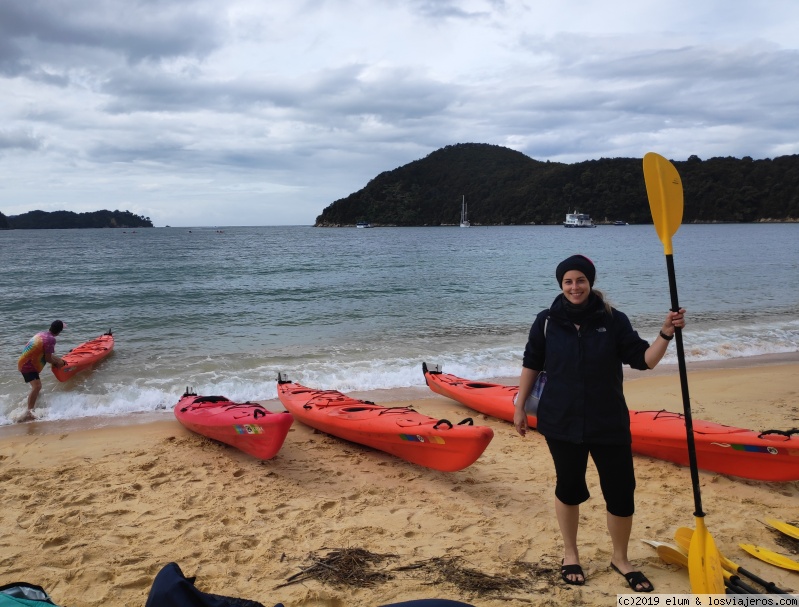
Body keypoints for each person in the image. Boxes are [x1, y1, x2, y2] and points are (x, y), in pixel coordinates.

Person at [513, 255, 685, 593]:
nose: (574, 287)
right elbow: (531, 362)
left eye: (580, 280)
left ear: (590, 282)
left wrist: (665, 333)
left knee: (621, 493)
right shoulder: (547, 321)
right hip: (561, 420)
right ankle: (570, 554)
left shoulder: (613, 320)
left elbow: (643, 360)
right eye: (568, 281)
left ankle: (620, 559)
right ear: (560, 285)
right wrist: (520, 407)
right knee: (569, 487)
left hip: (608, 421)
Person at [17, 320, 68, 422]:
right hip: (28, 366)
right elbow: (48, 359)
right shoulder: (51, 340)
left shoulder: (43, 334)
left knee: (36, 387)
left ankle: (32, 406)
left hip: (24, 362)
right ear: (59, 331)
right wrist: (57, 363)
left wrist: (59, 360)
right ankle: (29, 413)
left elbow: (46, 355)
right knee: (37, 386)